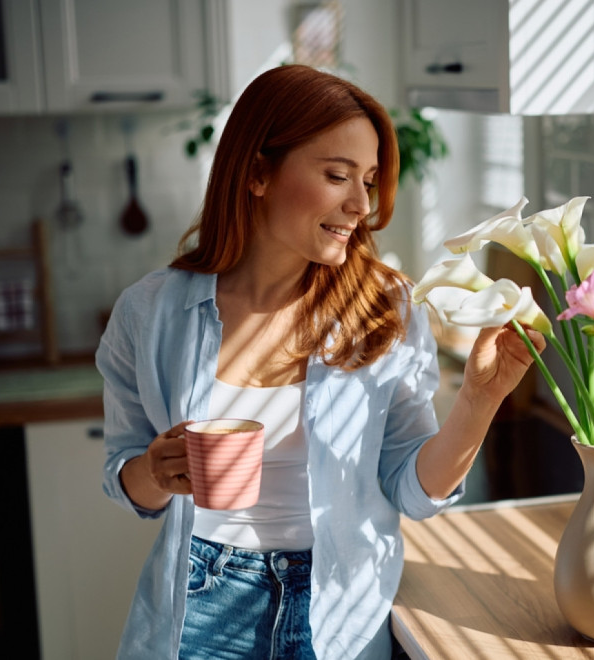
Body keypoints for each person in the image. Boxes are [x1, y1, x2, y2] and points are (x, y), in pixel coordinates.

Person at [96, 64, 545, 660]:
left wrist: (482, 399)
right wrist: (154, 471)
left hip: (340, 606)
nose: (362, 203)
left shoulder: (386, 309)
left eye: (369, 180)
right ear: (257, 172)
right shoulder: (150, 313)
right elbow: (125, 476)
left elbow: (412, 491)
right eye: (337, 175)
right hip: (200, 603)